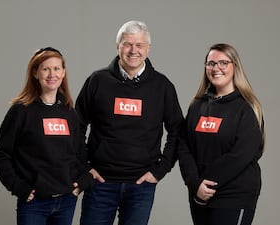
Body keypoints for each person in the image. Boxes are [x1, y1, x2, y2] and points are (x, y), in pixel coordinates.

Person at [75, 20, 184, 225]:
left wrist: (160, 170)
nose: (133, 50)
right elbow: (76, 126)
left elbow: (178, 130)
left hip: (141, 185)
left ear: (148, 48)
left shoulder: (162, 86)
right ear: (118, 46)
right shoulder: (97, 81)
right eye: (127, 44)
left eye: (139, 45)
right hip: (100, 183)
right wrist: (84, 167)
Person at [0, 47, 94, 225]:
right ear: (35, 73)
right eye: (45, 69)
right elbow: (0, 154)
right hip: (34, 204)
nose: (51, 74)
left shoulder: (69, 112)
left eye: (56, 68)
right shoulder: (21, 111)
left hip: (66, 202)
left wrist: (84, 179)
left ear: (63, 73)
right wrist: (17, 186)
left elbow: (78, 153)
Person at [178, 43, 265, 225]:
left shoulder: (247, 108)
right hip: (200, 194)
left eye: (223, 63)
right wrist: (195, 183)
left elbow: (240, 155)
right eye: (211, 63)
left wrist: (206, 182)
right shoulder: (197, 105)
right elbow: (183, 145)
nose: (216, 68)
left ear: (235, 66)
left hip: (234, 195)